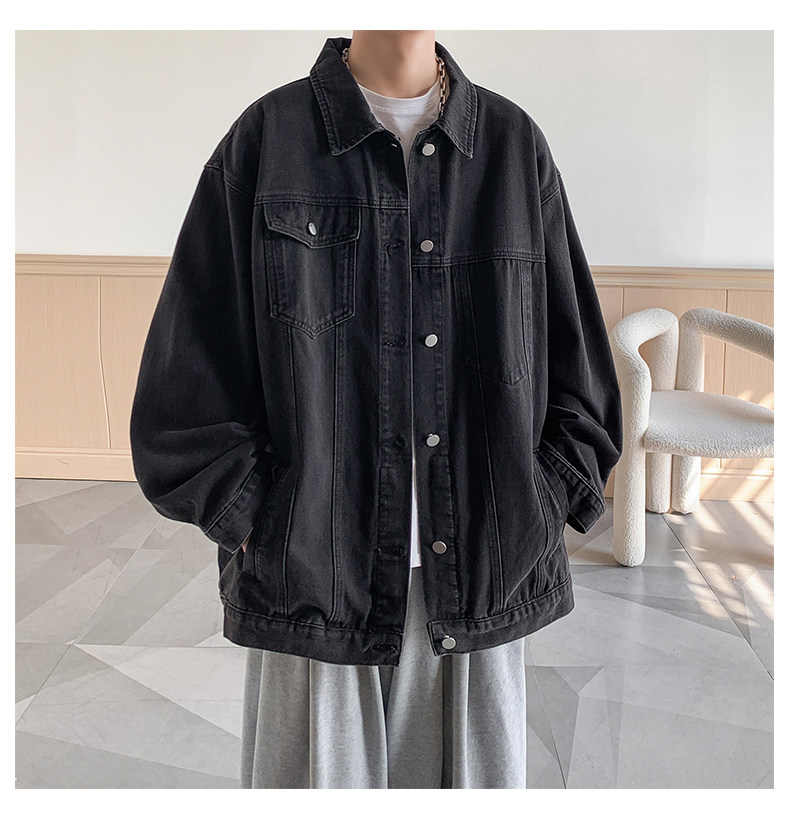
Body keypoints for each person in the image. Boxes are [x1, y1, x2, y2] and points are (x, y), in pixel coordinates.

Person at [130, 30, 623, 789]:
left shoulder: (511, 146)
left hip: (485, 571)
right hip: (314, 577)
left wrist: (538, 505)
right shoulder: (269, 140)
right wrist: (259, 518)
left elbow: (580, 371)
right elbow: (186, 378)